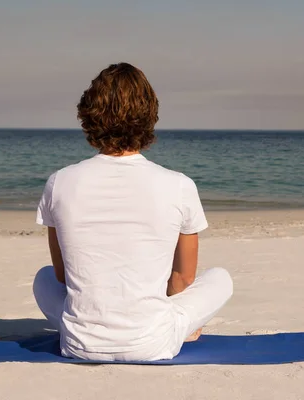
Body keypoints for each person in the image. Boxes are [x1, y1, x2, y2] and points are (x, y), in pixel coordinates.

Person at [32, 62, 233, 362]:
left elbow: (62, 276)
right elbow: (182, 280)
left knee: (43, 278)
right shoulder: (178, 185)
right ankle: (180, 329)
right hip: (152, 343)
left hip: (80, 344)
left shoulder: (59, 182)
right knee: (221, 279)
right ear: (149, 115)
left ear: (89, 115)